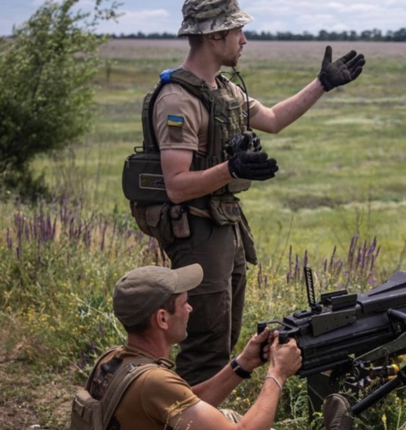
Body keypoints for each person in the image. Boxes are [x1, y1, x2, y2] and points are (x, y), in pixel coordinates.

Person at [142, 0, 366, 386]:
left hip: (223, 226)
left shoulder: (224, 91)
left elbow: (275, 119)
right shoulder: (177, 99)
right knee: (206, 346)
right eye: (237, 32)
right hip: (195, 231)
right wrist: (232, 168)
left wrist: (323, 84)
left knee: (225, 338)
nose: (244, 40)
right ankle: (183, 418)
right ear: (215, 36)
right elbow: (176, 186)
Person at [82, 263, 360, 430]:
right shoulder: (153, 382)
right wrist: (277, 373)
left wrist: (242, 364)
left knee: (222, 416)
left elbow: (184, 402)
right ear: (162, 319)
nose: (190, 308)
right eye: (183, 304)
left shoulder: (115, 360)